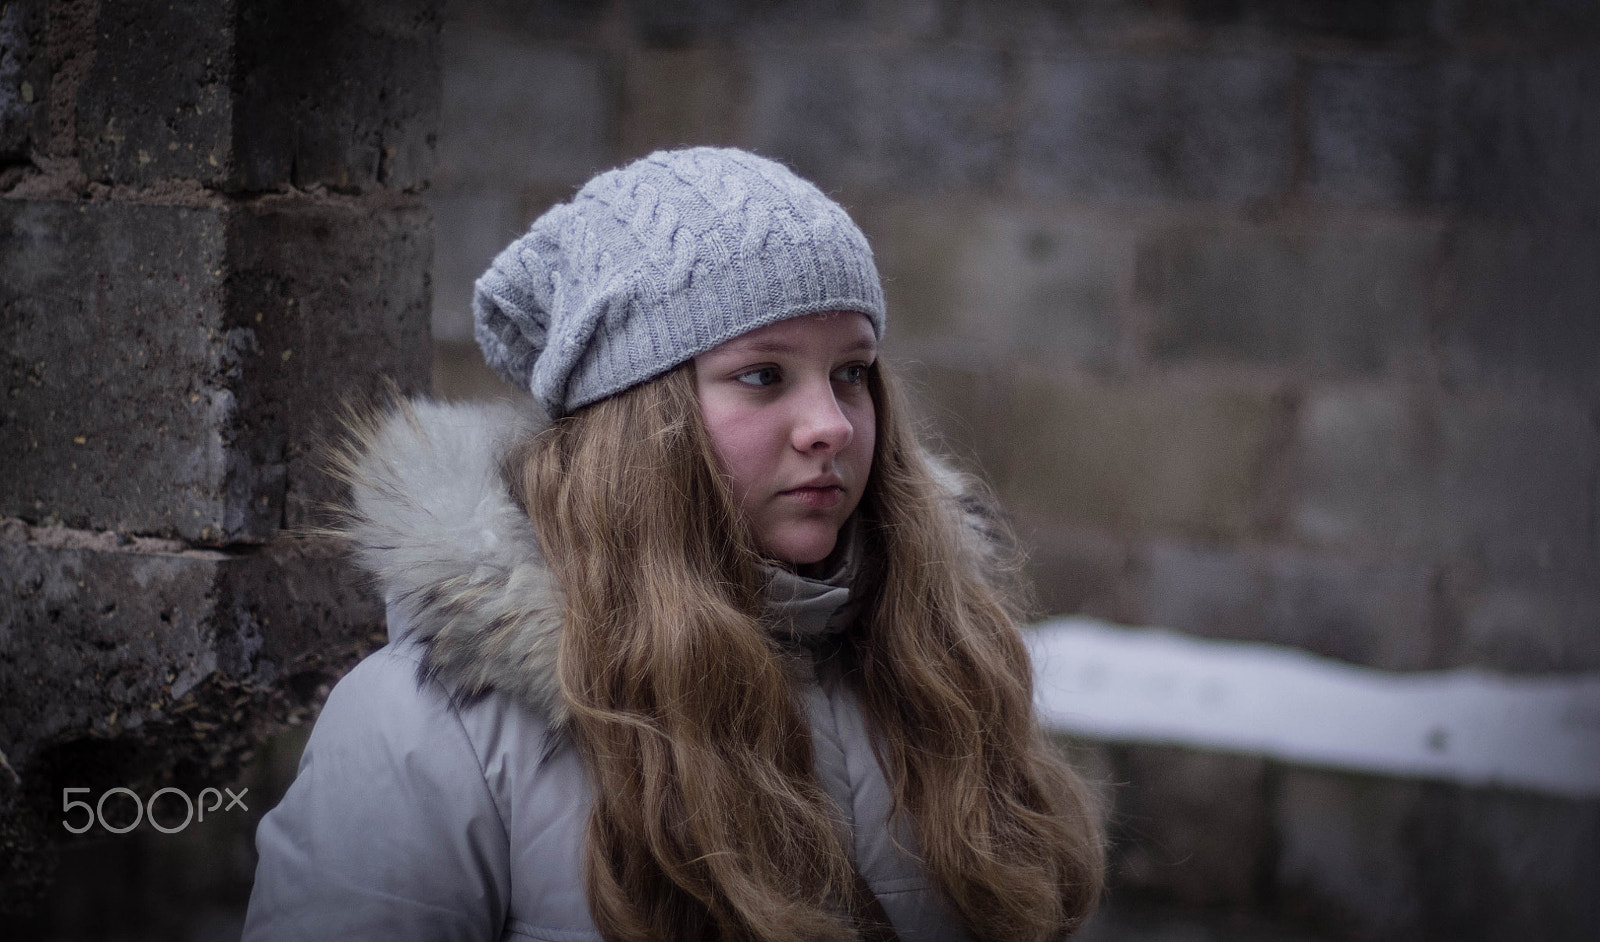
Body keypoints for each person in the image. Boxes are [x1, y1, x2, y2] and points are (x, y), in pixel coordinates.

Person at [242, 147, 1104, 942]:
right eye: (763, 376)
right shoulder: (433, 728)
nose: (831, 425)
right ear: (636, 423)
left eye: (852, 372)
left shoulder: (940, 670)